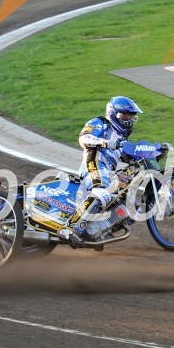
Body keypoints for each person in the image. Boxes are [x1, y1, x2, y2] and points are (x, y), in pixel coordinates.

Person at [64, 96, 143, 245]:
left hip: (108, 174)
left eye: (131, 116)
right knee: (102, 193)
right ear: (114, 114)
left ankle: (97, 231)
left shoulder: (122, 139)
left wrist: (155, 153)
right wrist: (106, 143)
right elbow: (84, 138)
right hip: (94, 163)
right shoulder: (100, 123)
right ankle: (72, 227)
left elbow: (131, 157)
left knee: (134, 209)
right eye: (125, 115)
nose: (129, 119)